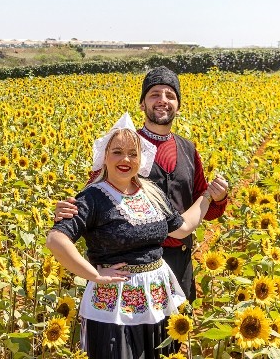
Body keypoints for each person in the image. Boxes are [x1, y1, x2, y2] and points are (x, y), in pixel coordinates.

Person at [46, 113, 215, 359]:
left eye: (133, 154)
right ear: (104, 156)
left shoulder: (151, 193)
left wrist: (208, 195)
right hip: (114, 306)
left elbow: (182, 228)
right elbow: (56, 240)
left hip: (157, 300)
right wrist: (94, 274)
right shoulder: (92, 197)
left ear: (141, 159)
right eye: (117, 152)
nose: (125, 159)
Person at [54, 66, 229, 302]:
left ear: (178, 105)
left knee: (173, 334)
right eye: (154, 94)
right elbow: (93, 194)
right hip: (127, 264)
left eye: (170, 95)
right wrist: (66, 212)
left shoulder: (188, 149)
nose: (163, 101)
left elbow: (203, 207)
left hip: (179, 258)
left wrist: (216, 197)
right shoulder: (124, 145)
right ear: (142, 104)